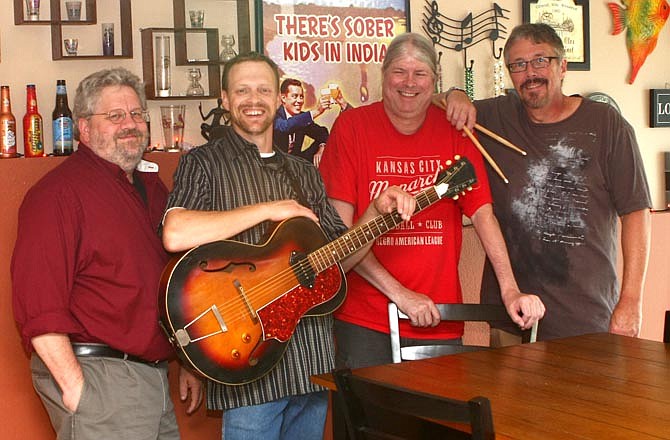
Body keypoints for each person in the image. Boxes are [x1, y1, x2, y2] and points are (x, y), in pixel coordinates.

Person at [161, 52, 416, 440]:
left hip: (309, 364)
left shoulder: (303, 172)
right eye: (242, 90)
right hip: (248, 365)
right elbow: (174, 232)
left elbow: (338, 259)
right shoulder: (203, 163)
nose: (253, 99)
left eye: (264, 89)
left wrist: (375, 217)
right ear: (224, 100)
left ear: (279, 98)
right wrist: (269, 209)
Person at [318, 32, 545, 370]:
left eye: (420, 73)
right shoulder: (352, 127)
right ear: (383, 75)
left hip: (439, 316)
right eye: (399, 71)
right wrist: (400, 295)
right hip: (365, 321)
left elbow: (483, 215)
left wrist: (510, 290)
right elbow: (342, 235)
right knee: (371, 423)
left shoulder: (456, 130)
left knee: (438, 423)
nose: (409, 82)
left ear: (434, 80)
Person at [11, 68, 202, 439]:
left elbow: (171, 283)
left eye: (136, 114)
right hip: (101, 379)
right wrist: (77, 392)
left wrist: (187, 361)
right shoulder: (58, 195)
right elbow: (38, 305)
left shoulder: (150, 188)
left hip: (153, 379)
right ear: (84, 129)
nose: (129, 124)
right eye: (114, 116)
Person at [440, 23, 652, 344]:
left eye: (541, 60)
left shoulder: (607, 124)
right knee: (509, 396)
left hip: (586, 317)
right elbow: (437, 102)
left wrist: (631, 301)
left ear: (562, 66)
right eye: (519, 65)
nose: (530, 73)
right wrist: (455, 94)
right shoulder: (494, 116)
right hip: (512, 316)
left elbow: (636, 212)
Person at [273, 78, 348, 167]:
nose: (299, 101)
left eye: (301, 97)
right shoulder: (272, 116)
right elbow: (285, 127)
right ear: (283, 98)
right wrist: (317, 111)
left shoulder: (302, 118)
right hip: (274, 168)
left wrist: (322, 147)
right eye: (295, 96)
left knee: (329, 146)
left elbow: (322, 132)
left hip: (295, 166)